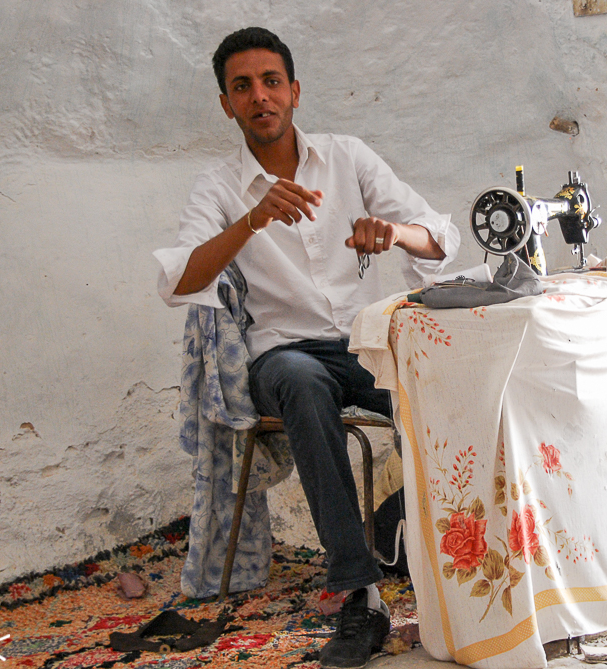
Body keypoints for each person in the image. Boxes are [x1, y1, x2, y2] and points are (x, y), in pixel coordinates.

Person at [154, 27, 459, 669]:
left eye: (270, 82)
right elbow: (177, 279)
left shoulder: (347, 156)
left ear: (294, 91)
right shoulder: (219, 186)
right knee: (300, 379)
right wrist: (252, 219)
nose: (259, 96)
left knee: (441, 381)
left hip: (363, 344)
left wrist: (395, 233)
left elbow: (442, 239)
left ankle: (446, 547)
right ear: (226, 105)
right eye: (242, 87)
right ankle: (361, 595)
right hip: (281, 358)